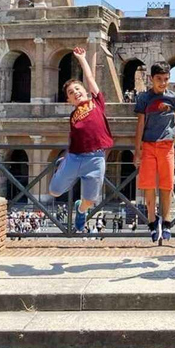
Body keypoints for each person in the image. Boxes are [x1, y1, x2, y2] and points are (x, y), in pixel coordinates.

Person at [48, 46, 114, 232]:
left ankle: (80, 209)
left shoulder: (97, 103)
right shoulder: (73, 115)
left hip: (96, 158)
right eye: (71, 93)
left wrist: (82, 59)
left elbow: (91, 78)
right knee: (54, 191)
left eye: (77, 89)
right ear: (69, 101)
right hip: (75, 158)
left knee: (89, 201)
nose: (75, 92)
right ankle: (61, 164)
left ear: (85, 91)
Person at [134, 61, 175, 243]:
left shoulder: (173, 98)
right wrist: (137, 150)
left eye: (165, 79)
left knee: (167, 185)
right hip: (148, 144)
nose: (162, 83)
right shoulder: (143, 98)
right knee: (148, 185)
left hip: (166, 145)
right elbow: (140, 124)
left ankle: (167, 222)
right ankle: (152, 220)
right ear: (151, 79)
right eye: (159, 79)